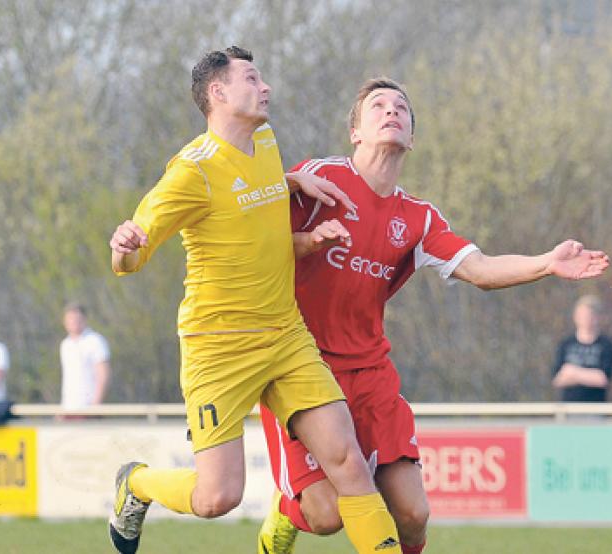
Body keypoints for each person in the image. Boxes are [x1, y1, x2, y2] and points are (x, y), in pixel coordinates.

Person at [257, 77, 610, 554]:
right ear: (355, 131)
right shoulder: (321, 179)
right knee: (324, 516)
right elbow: (247, 222)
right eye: (378, 106)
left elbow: (481, 269)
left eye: (401, 107)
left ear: (413, 137)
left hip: (370, 376)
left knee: (413, 514)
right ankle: (283, 515)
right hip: (302, 368)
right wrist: (285, 184)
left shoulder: (418, 217)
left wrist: (546, 262)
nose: (391, 111)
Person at [106, 47, 400, 554]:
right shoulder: (189, 172)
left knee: (349, 462)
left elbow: (249, 196)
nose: (265, 88)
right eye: (252, 78)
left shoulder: (264, 139)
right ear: (218, 93)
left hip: (286, 337)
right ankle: (135, 483)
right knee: (217, 497)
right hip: (218, 348)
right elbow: (131, 258)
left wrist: (290, 181)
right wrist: (124, 249)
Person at [552, 295, 612, 402]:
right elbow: (558, 379)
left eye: (589, 315)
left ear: (597, 317)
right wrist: (590, 376)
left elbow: (603, 379)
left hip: (595, 409)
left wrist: (573, 372)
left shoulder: (606, 345)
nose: (585, 319)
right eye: (582, 315)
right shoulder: (566, 344)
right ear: (575, 317)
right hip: (568, 409)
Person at [59, 302, 110, 413]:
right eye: (70, 319)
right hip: (68, 408)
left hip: (88, 407)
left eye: (77, 319)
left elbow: (103, 374)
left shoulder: (95, 341)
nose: (73, 322)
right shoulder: (65, 344)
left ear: (84, 320)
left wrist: (95, 406)